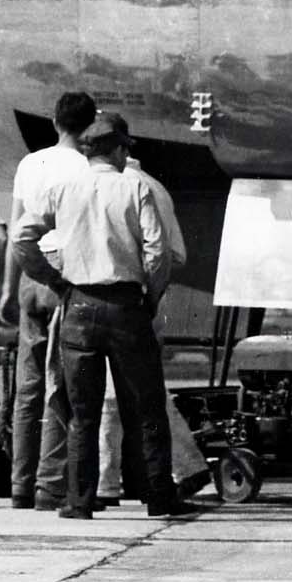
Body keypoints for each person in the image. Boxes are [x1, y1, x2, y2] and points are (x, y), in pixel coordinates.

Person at [32, 110, 188, 520]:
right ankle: (158, 495)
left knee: (83, 412)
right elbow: (157, 252)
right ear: (117, 149)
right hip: (125, 306)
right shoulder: (135, 189)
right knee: (147, 407)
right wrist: (150, 298)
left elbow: (22, 237)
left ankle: (80, 501)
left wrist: (54, 280)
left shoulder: (62, 189)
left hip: (78, 307)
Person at [5, 91, 97, 509]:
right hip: (64, 275)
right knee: (61, 385)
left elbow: (16, 230)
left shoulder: (30, 163)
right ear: (89, 125)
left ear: (55, 121)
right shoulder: (85, 168)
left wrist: (9, 287)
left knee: (28, 386)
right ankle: (49, 483)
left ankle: (19, 485)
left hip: (29, 276)